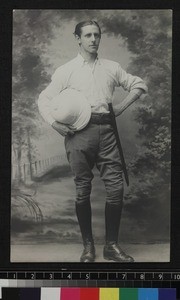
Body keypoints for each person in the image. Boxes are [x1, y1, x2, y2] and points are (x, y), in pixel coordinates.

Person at [38, 20, 148, 263]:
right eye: (87, 35)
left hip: (107, 131)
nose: (93, 39)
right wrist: (56, 125)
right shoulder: (66, 70)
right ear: (78, 38)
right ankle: (88, 247)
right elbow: (44, 99)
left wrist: (120, 107)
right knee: (82, 189)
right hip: (78, 134)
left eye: (96, 35)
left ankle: (111, 245)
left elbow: (139, 84)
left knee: (116, 188)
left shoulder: (111, 67)